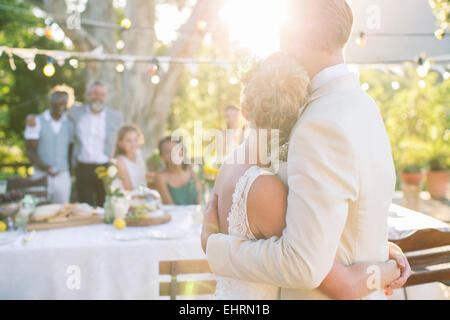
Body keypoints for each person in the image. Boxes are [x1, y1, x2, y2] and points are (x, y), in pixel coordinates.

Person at [202, 0, 411, 300]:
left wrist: (216, 246)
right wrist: (383, 256)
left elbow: (303, 264)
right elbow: (350, 216)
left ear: (293, 35)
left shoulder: (320, 122)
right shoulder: (363, 105)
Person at [69, 80, 123, 207]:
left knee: (104, 204)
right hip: (82, 167)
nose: (98, 97)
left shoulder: (115, 116)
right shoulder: (75, 112)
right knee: (84, 206)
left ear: (106, 97)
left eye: (101, 94)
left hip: (105, 167)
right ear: (88, 95)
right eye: (94, 93)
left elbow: (120, 140)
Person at [24, 85, 74, 204]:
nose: (61, 104)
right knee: (38, 209)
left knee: (62, 211)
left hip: (63, 175)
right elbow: (30, 150)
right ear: (51, 101)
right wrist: (45, 167)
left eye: (64, 101)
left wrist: (69, 170)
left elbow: (71, 149)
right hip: (40, 175)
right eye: (58, 100)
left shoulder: (70, 124)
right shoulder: (36, 121)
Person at [155, 137, 202, 205]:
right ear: (162, 156)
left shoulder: (193, 170)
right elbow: (171, 206)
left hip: (196, 214)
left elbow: (200, 201)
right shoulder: (161, 177)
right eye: (168, 152)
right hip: (175, 215)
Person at [113, 125, 147, 192]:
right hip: (127, 199)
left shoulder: (138, 154)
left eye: (136, 139)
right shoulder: (120, 161)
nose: (133, 144)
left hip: (140, 195)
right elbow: (129, 189)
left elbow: (141, 178)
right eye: (128, 141)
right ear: (120, 143)